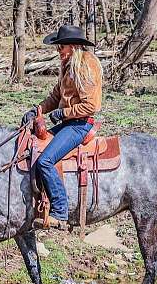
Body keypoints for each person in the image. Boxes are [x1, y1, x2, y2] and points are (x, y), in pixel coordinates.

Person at [21, 25, 103, 230]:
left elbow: (91, 105)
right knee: (36, 148)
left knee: (46, 161)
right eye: (58, 47)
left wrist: (63, 113)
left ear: (74, 46)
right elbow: (55, 96)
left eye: (62, 47)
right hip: (69, 123)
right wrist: (37, 110)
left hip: (79, 125)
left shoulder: (86, 66)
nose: (59, 51)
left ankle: (60, 211)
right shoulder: (68, 66)